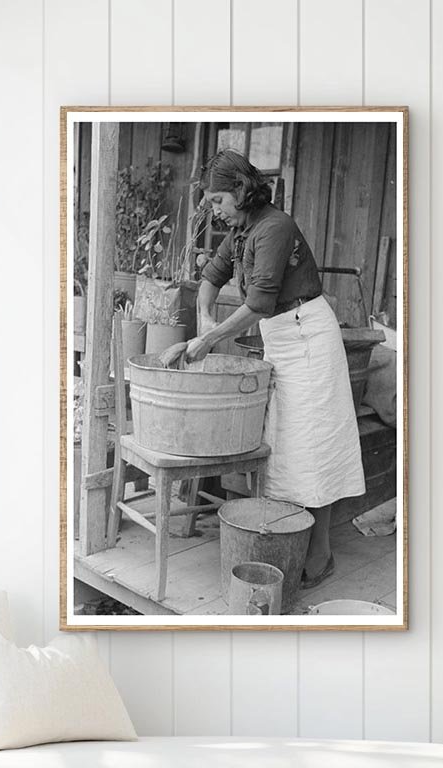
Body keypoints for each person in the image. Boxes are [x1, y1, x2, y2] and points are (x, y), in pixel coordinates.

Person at [159, 150, 365, 587]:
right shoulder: (241, 229)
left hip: (307, 336)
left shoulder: (275, 227)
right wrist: (206, 318)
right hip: (280, 338)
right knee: (284, 445)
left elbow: (259, 301)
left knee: (314, 448)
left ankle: (320, 554)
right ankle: (289, 539)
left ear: (239, 190)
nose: (216, 210)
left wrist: (208, 340)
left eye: (218, 201)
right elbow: (211, 279)